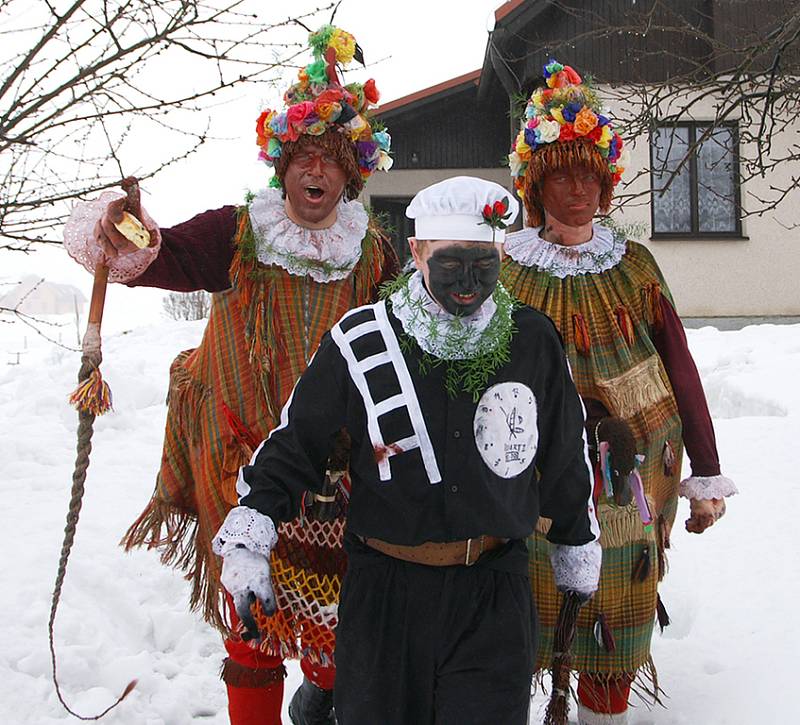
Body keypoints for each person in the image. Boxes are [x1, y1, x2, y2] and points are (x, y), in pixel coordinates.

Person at [62, 25, 398, 725]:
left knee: (336, 626)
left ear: (353, 173)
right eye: (304, 154)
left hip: (336, 469)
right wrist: (126, 229)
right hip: (239, 456)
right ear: (282, 163)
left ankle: (324, 697)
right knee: (252, 625)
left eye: (332, 160)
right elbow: (158, 256)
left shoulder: (375, 257)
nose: (316, 171)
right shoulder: (240, 232)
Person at [211, 176, 602, 725]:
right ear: (416, 251)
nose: (468, 282)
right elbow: (298, 441)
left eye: (484, 264)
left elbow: (563, 451)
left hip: (494, 590)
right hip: (385, 594)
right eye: (449, 263)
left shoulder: (531, 338)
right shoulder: (363, 339)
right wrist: (253, 526)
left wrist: (575, 541)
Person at [501, 59, 738, 724]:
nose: (576, 189)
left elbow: (680, 365)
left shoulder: (634, 266)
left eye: (589, 175)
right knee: (528, 614)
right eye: (561, 174)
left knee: (617, 617)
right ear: (536, 182)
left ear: (606, 183)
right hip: (532, 479)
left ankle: (606, 712)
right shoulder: (507, 270)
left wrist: (708, 472)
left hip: (631, 484)